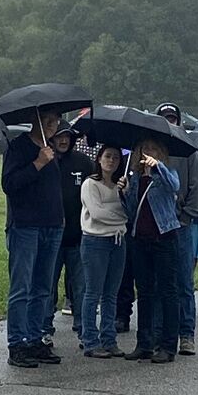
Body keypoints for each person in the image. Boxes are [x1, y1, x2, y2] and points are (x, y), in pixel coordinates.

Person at [0, 106, 65, 370]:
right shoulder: (19, 148)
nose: (52, 125)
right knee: (22, 288)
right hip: (26, 226)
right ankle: (17, 343)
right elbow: (9, 184)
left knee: (43, 288)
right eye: (48, 120)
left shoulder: (52, 150)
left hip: (52, 224)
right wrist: (38, 163)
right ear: (35, 121)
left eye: (56, 121)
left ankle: (36, 339)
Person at [124, 135, 183, 364]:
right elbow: (130, 212)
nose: (147, 152)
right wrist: (124, 192)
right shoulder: (136, 178)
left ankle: (168, 345)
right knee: (145, 292)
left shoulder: (166, 175)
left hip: (164, 237)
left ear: (160, 153)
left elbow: (174, 187)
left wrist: (158, 167)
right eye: (144, 149)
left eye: (153, 149)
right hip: (141, 239)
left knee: (168, 291)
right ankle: (144, 343)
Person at [156, 105, 198, 356]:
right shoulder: (152, 151)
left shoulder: (189, 152)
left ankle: (186, 334)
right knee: (158, 283)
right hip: (155, 227)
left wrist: (186, 217)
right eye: (165, 120)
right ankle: (159, 332)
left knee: (184, 281)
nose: (169, 123)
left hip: (181, 226)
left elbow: (197, 190)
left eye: (173, 119)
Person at [77, 142, 128, 356]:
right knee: (93, 292)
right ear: (99, 159)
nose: (111, 161)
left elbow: (130, 211)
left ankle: (109, 339)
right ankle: (90, 340)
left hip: (118, 242)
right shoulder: (90, 184)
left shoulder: (121, 185)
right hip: (95, 242)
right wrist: (120, 216)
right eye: (107, 156)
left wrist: (125, 194)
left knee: (111, 294)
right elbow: (97, 213)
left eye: (115, 157)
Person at [52, 125, 91, 330]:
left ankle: (83, 329)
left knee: (81, 287)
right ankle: (44, 328)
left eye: (67, 137)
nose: (64, 141)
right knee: (48, 286)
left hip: (78, 235)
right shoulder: (46, 161)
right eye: (59, 137)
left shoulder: (83, 162)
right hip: (51, 236)